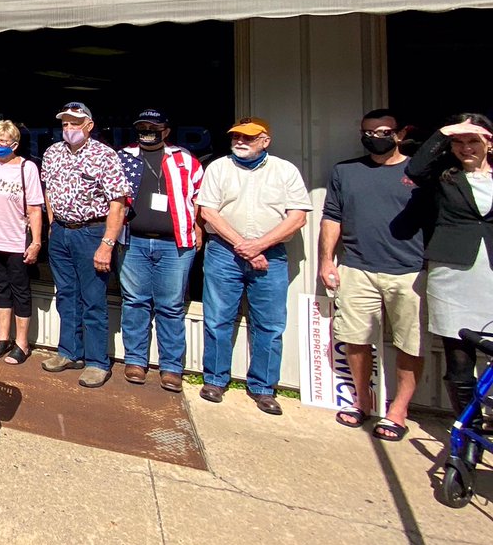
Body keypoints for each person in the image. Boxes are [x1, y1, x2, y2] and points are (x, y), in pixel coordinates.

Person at [319, 109, 427, 440]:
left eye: (382, 131)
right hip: (357, 267)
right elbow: (331, 216)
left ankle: (398, 411)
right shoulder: (346, 171)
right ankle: (362, 401)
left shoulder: (420, 173)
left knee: (410, 343)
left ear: (399, 134)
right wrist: (327, 260)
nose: (373, 137)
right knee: (355, 338)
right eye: (367, 132)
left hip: (409, 272)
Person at [196, 117, 312, 415]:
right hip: (224, 252)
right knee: (218, 318)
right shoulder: (218, 168)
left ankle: (263, 387)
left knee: (269, 324)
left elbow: (297, 217)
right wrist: (244, 246)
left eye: (248, 138)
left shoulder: (285, 171)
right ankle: (214, 379)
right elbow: (208, 212)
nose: (240, 142)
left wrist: (258, 246)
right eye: (236, 137)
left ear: (265, 141)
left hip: (269, 256)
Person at [406, 113, 493, 419]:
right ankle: (468, 426)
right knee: (459, 360)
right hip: (453, 276)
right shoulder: (444, 176)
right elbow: (415, 168)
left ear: (489, 143)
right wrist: (445, 131)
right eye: (459, 142)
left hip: (490, 272)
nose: (466, 147)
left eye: (473, 140)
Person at [39, 101, 130, 388]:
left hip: (91, 233)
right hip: (61, 232)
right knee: (66, 294)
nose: (69, 128)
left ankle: (96, 362)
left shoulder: (105, 156)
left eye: (75, 123)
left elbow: (118, 204)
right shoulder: (53, 153)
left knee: (93, 299)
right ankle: (69, 351)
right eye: (65, 123)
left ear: (89, 126)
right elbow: (48, 191)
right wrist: (53, 224)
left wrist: (107, 244)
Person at [116, 109, 204, 392]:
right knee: (135, 302)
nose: (147, 131)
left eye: (153, 126)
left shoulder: (185, 160)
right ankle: (135, 361)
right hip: (133, 241)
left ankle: (171, 368)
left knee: (170, 306)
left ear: (165, 130)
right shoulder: (123, 157)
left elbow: (200, 198)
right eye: (141, 126)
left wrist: (199, 229)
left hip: (174, 245)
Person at [0, 120, 43, 366]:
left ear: (15, 144)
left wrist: (35, 242)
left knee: (20, 291)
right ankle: (3, 338)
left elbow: (35, 209)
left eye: (4, 141)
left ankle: (21, 343)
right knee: (0, 288)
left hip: (16, 241)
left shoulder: (27, 169)